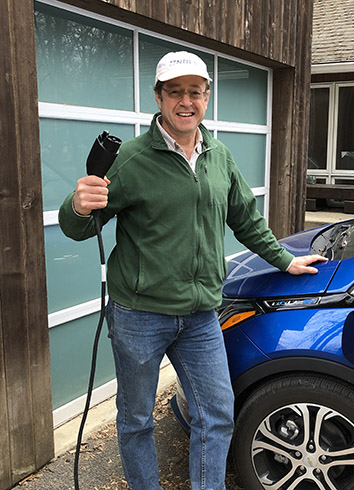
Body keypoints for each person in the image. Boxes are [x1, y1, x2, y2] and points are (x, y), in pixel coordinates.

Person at [59, 51, 326, 490]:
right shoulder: (129, 159)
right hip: (138, 315)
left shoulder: (219, 156)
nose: (187, 101)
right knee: (136, 420)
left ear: (207, 97)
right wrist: (76, 205)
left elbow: (246, 218)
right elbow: (81, 228)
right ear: (159, 97)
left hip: (200, 315)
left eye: (195, 92)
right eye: (175, 91)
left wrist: (285, 259)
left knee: (217, 414)